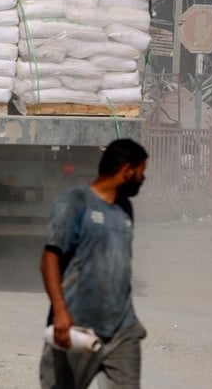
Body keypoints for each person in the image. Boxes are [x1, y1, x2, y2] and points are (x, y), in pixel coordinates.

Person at [39, 138, 149, 389]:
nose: (143, 180)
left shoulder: (125, 209)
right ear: (127, 171)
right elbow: (49, 259)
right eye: (141, 173)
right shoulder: (74, 203)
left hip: (123, 330)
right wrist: (60, 311)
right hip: (77, 326)